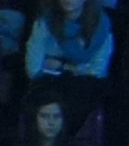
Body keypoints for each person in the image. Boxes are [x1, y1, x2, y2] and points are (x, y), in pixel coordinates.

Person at [23, 0, 113, 130]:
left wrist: (62, 66)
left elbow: (97, 71)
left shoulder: (101, 25)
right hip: (48, 85)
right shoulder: (44, 22)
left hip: (85, 89)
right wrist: (77, 68)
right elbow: (33, 68)